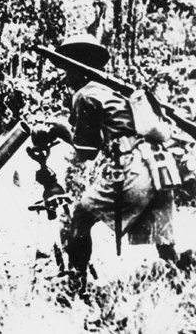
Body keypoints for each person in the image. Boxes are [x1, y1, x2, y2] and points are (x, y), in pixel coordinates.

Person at [36, 34, 178, 294]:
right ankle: (180, 279)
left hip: (131, 167)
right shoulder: (116, 90)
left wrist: (59, 129)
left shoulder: (85, 95)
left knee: (81, 217)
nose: (66, 77)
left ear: (79, 69)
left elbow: (87, 151)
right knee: (164, 237)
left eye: (67, 70)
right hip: (160, 165)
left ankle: (75, 287)